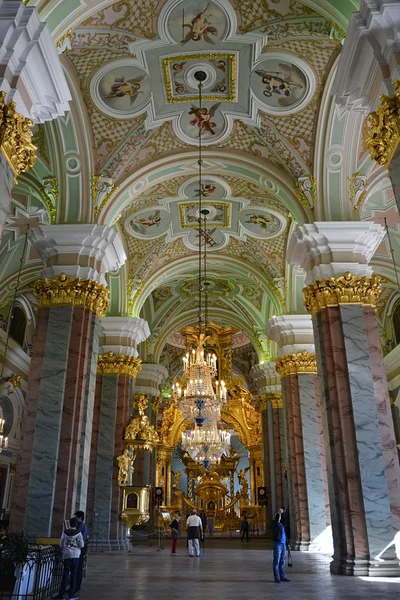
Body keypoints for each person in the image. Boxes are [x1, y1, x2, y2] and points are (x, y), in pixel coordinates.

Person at [53, 517, 84, 600]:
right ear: (76, 525)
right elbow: (81, 545)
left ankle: (61, 594)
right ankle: (71, 594)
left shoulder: (65, 533)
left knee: (65, 574)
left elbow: (61, 544)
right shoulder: (79, 533)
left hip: (67, 555)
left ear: (69, 524)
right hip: (75, 555)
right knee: (74, 575)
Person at [272, 508, 290, 584]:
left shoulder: (283, 525)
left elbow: (285, 534)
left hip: (283, 543)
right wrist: (278, 513)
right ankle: (276, 577)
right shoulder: (275, 525)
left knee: (282, 560)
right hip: (277, 543)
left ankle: (282, 576)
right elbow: (274, 521)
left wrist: (287, 543)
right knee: (277, 560)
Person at [73, 511, 88, 592]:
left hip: (79, 548)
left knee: (77, 567)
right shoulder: (84, 526)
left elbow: (76, 536)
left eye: (75, 517)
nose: (75, 518)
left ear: (79, 517)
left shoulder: (80, 525)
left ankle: (75, 586)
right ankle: (76, 585)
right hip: (82, 547)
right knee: (78, 567)